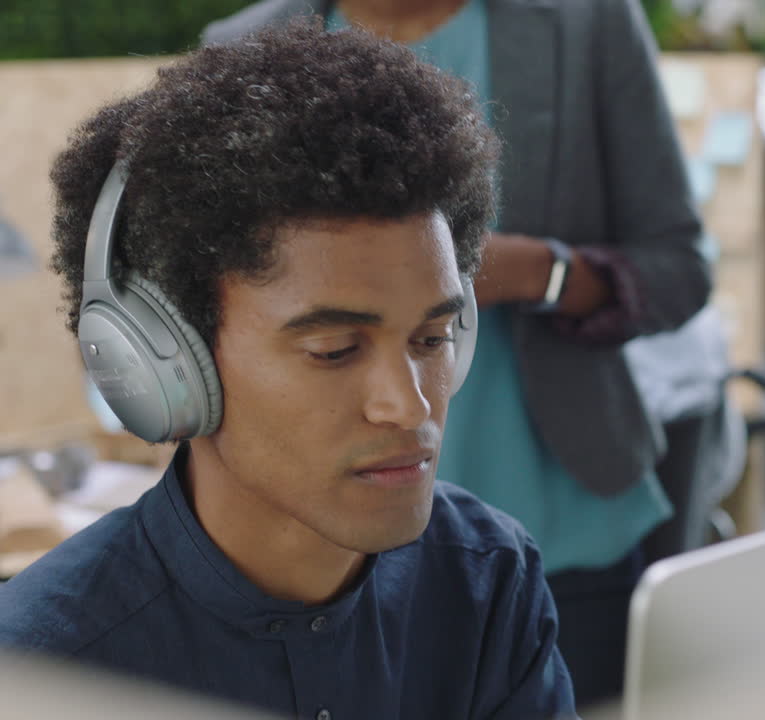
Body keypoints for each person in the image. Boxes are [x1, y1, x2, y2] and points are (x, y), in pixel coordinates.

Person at [0, 22, 576, 719]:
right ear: (166, 363)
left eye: (431, 338)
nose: (408, 404)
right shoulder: (40, 669)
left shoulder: (489, 579)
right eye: (335, 350)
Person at [203, 0, 711, 705]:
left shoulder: (584, 23)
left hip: (567, 532)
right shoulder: (243, 49)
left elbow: (679, 271)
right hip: (323, 565)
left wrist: (540, 272)